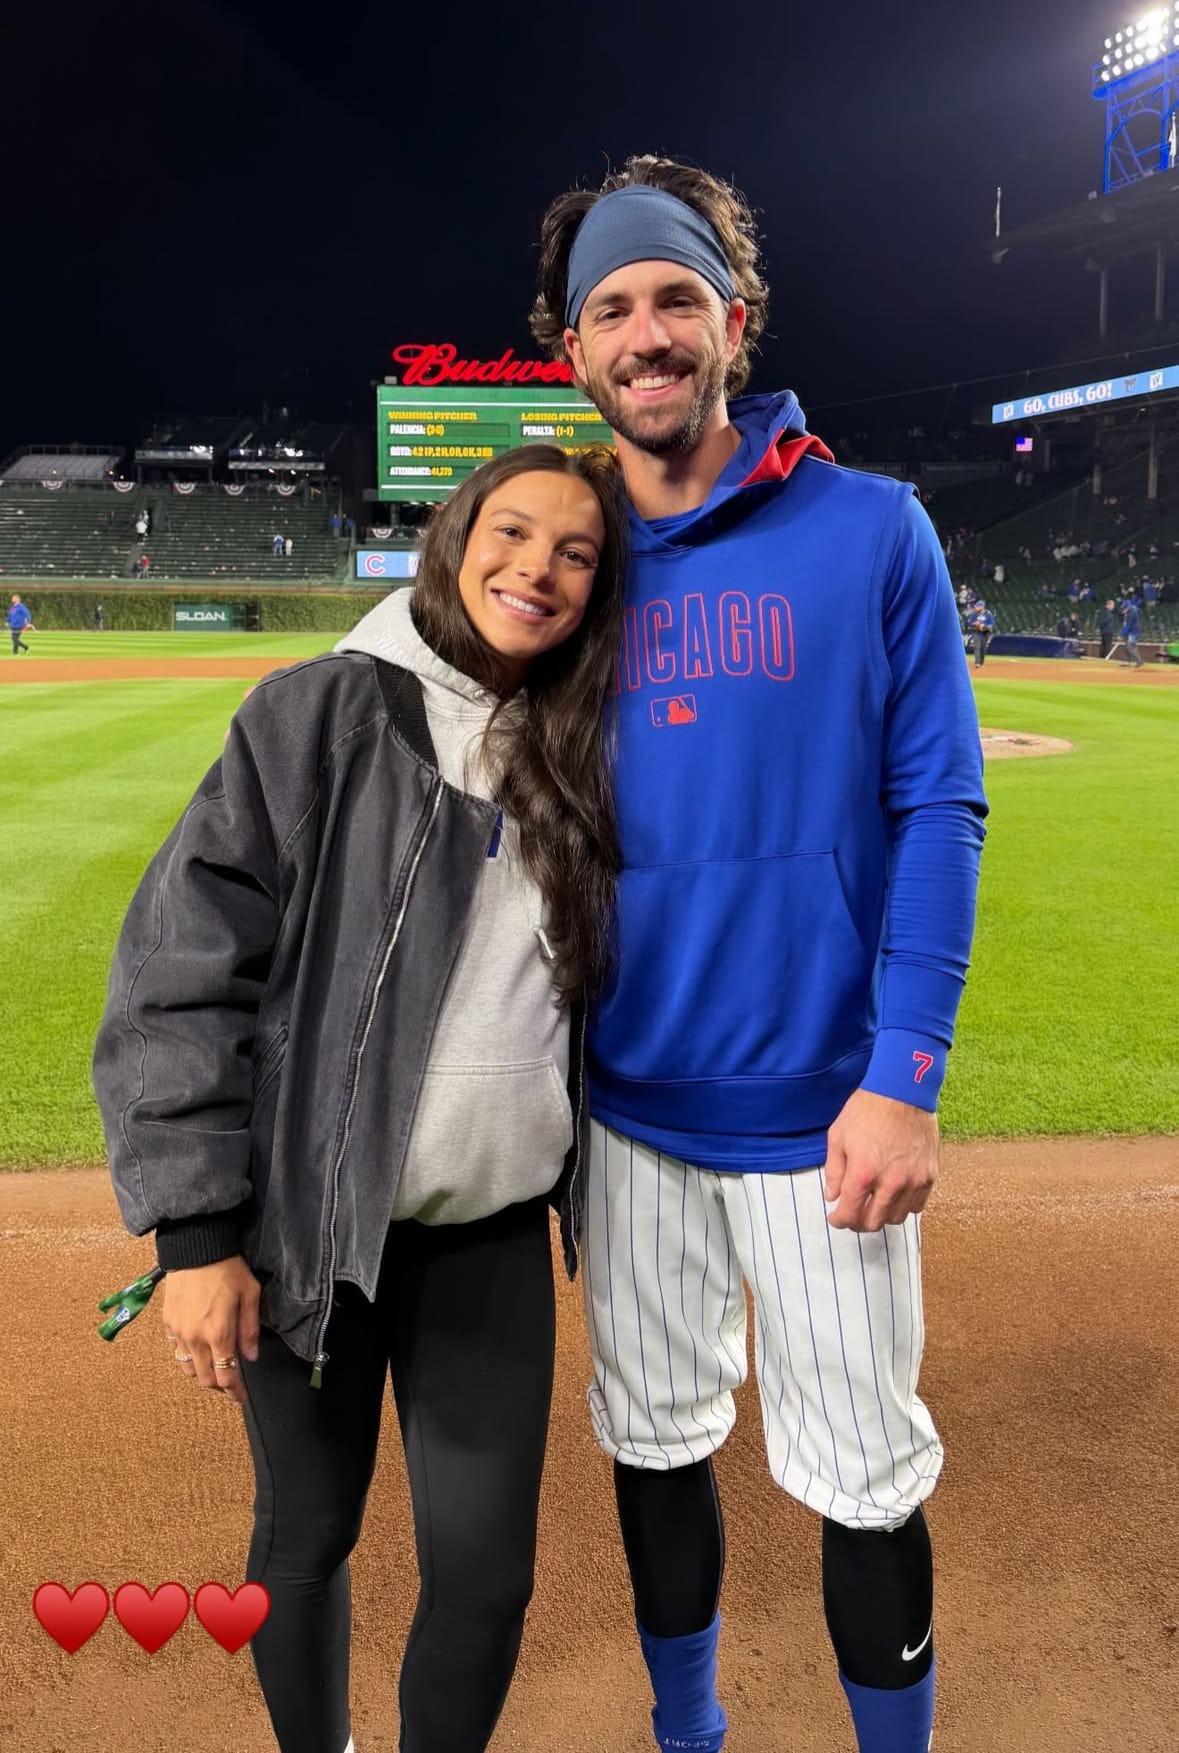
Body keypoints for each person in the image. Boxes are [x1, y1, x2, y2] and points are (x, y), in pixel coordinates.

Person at [530, 156, 987, 1753]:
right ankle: (689, 1736)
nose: (645, 333)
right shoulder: (559, 565)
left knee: (860, 1470)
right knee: (652, 1447)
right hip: (623, 1112)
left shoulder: (869, 529)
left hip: (823, 1120)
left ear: (731, 319)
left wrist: (904, 1074)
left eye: (672, 298)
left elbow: (938, 801)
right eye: (610, 308)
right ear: (573, 349)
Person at [91, 444, 629, 1753]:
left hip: (490, 1234)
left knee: (486, 1575)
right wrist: (197, 1238)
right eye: (512, 533)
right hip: (313, 1232)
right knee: (307, 1529)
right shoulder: (320, 712)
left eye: (575, 552)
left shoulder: (580, 739)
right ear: (453, 538)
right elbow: (180, 969)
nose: (537, 569)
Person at [969, 598, 996, 667]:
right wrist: (975, 623)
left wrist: (984, 626)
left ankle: (981, 662)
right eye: (976, 606)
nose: (976, 608)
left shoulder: (988, 613)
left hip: (985, 632)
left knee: (983, 648)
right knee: (977, 647)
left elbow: (992, 623)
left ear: (982, 606)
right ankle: (977, 662)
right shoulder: (974, 614)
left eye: (978, 606)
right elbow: (970, 622)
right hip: (977, 632)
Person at [1122, 594, 1145, 667]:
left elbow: (1128, 625)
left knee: (1130, 646)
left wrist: (1121, 634)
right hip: (1131, 631)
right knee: (1126, 646)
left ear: (1128, 606)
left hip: (1133, 632)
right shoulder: (1132, 609)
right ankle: (1126, 662)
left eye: (1125, 608)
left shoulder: (1132, 612)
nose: (1123, 610)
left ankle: (1139, 661)